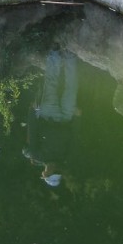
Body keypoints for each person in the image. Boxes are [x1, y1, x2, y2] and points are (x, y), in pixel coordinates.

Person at [23, 49, 80, 187]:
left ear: (44, 173)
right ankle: (70, 56)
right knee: (72, 89)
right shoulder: (67, 158)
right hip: (66, 118)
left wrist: (33, 112)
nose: (51, 170)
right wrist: (78, 119)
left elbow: (32, 132)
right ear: (58, 172)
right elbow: (75, 138)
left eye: (48, 173)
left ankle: (54, 55)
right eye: (53, 173)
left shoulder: (36, 155)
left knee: (51, 84)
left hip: (47, 115)